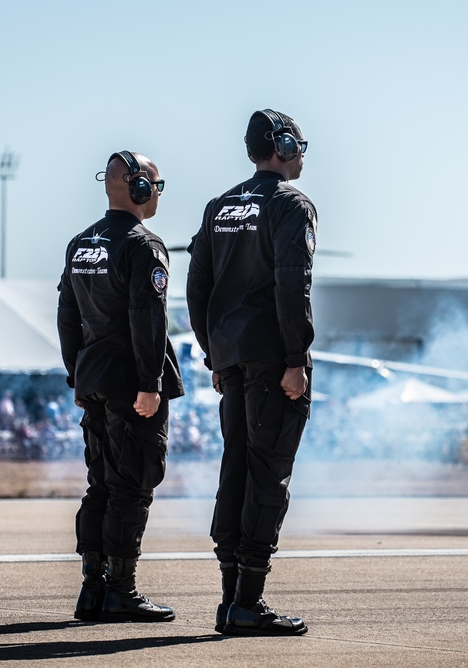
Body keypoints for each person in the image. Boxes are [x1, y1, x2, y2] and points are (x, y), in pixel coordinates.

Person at [186, 109, 317, 636]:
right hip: (271, 360)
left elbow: (197, 287)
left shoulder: (219, 207)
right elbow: (293, 285)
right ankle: (247, 604)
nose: (303, 154)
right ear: (283, 146)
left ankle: (229, 600)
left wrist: (215, 353)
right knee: (267, 476)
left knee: (235, 471)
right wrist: (295, 358)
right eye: (300, 144)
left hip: (234, 361)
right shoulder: (292, 205)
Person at [57, 150, 184, 623]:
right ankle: (121, 590)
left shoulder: (80, 244)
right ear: (138, 187)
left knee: (100, 485)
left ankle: (92, 590)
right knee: (132, 485)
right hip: (131, 383)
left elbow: (67, 315)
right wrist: (150, 383)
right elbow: (147, 318)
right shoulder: (142, 245)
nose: (157, 193)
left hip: (93, 378)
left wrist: (77, 372)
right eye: (156, 183)